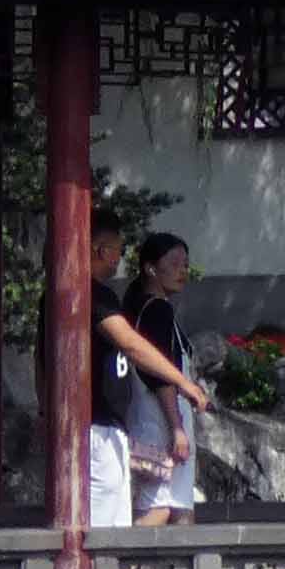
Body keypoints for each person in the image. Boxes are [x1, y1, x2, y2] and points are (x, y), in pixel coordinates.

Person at [81, 222, 207, 528]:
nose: (182, 271)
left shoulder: (141, 308)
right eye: (174, 264)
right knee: (159, 505)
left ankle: (169, 559)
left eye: (186, 264)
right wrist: (177, 426)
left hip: (151, 417)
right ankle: (126, 559)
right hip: (160, 419)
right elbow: (159, 376)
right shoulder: (155, 310)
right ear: (151, 269)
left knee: (175, 505)